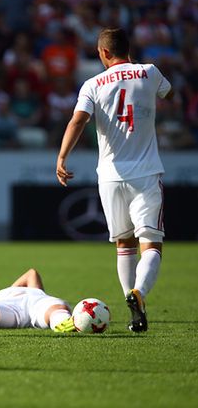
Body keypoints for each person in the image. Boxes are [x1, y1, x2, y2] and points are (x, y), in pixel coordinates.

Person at [56, 28, 173, 333]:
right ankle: (139, 294)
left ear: (104, 53)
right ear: (126, 49)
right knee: (151, 245)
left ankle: (132, 306)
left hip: (109, 176)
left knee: (124, 244)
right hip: (145, 172)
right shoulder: (149, 72)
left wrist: (62, 157)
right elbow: (169, 93)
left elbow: (77, 120)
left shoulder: (92, 84)